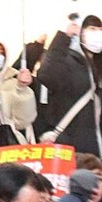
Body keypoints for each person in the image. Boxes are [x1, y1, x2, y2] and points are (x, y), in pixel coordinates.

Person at [38, 15, 102, 154]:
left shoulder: (96, 65)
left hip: (95, 143)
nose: (97, 33)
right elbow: (47, 75)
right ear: (80, 32)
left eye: (100, 30)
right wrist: (64, 37)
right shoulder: (68, 60)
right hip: (72, 143)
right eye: (92, 29)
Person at [0, 41, 37, 147]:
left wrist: (21, 89)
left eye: (1, 53)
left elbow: (23, 121)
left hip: (4, 143)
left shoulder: (12, 83)